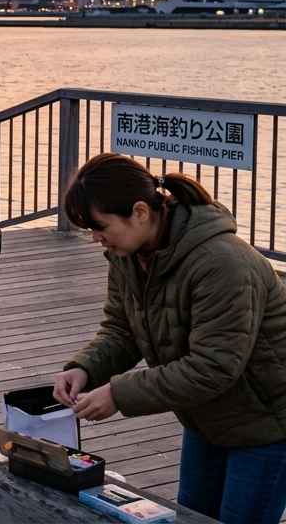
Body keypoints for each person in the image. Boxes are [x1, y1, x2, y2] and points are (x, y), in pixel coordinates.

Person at [53, 153, 286, 524]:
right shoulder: (128, 253)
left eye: (99, 226)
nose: (97, 239)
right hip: (204, 416)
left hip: (267, 423)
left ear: (141, 212)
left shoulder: (221, 262)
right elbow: (121, 330)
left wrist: (118, 393)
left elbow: (213, 366)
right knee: (189, 517)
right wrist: (85, 369)